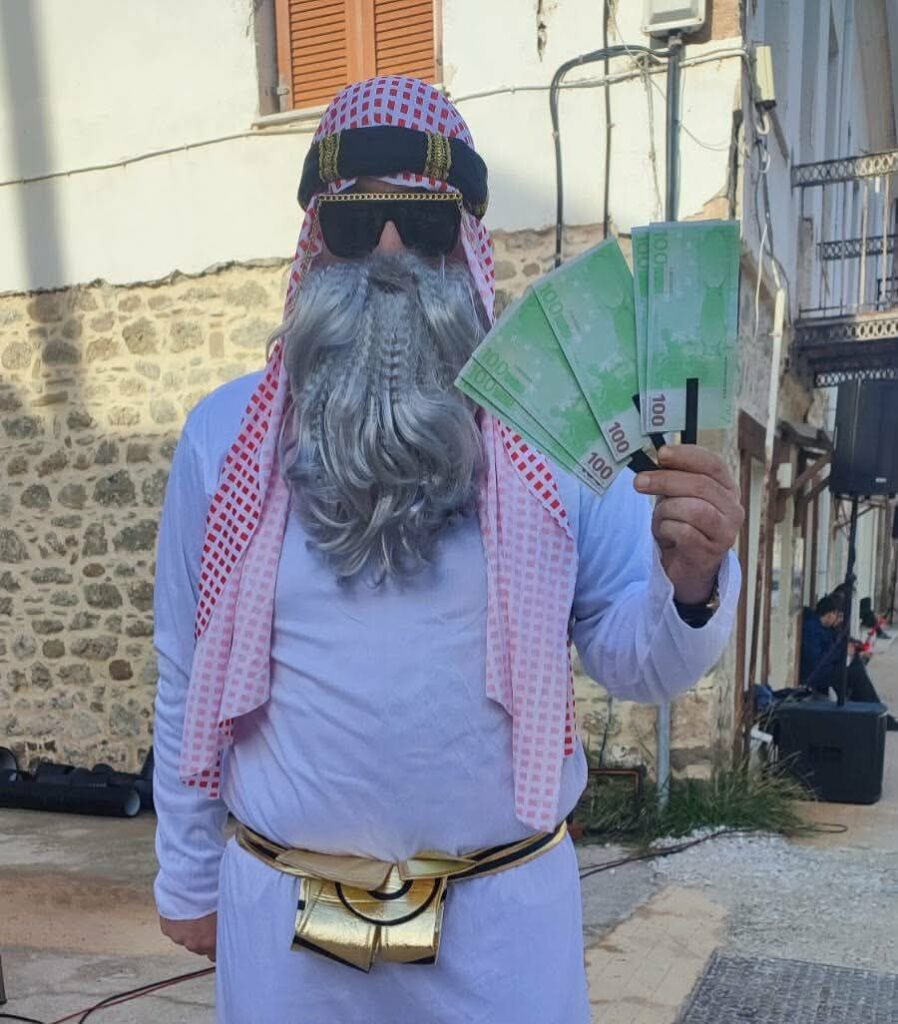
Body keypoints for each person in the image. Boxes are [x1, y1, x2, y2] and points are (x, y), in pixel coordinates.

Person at [151, 77, 743, 1024]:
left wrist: (693, 583)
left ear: (464, 245)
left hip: (499, 942)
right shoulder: (225, 437)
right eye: (356, 227)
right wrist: (186, 876)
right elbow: (185, 666)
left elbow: (638, 661)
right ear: (315, 242)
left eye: (423, 227)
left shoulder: (556, 435)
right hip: (286, 939)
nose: (389, 256)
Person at [800, 592, 897, 729]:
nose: (840, 620)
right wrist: (843, 652)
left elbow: (836, 645)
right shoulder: (812, 630)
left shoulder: (827, 628)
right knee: (855, 674)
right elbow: (818, 661)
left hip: (828, 668)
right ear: (830, 614)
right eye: (838, 616)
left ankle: (873, 709)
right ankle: (874, 712)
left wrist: (855, 648)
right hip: (816, 674)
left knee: (856, 665)